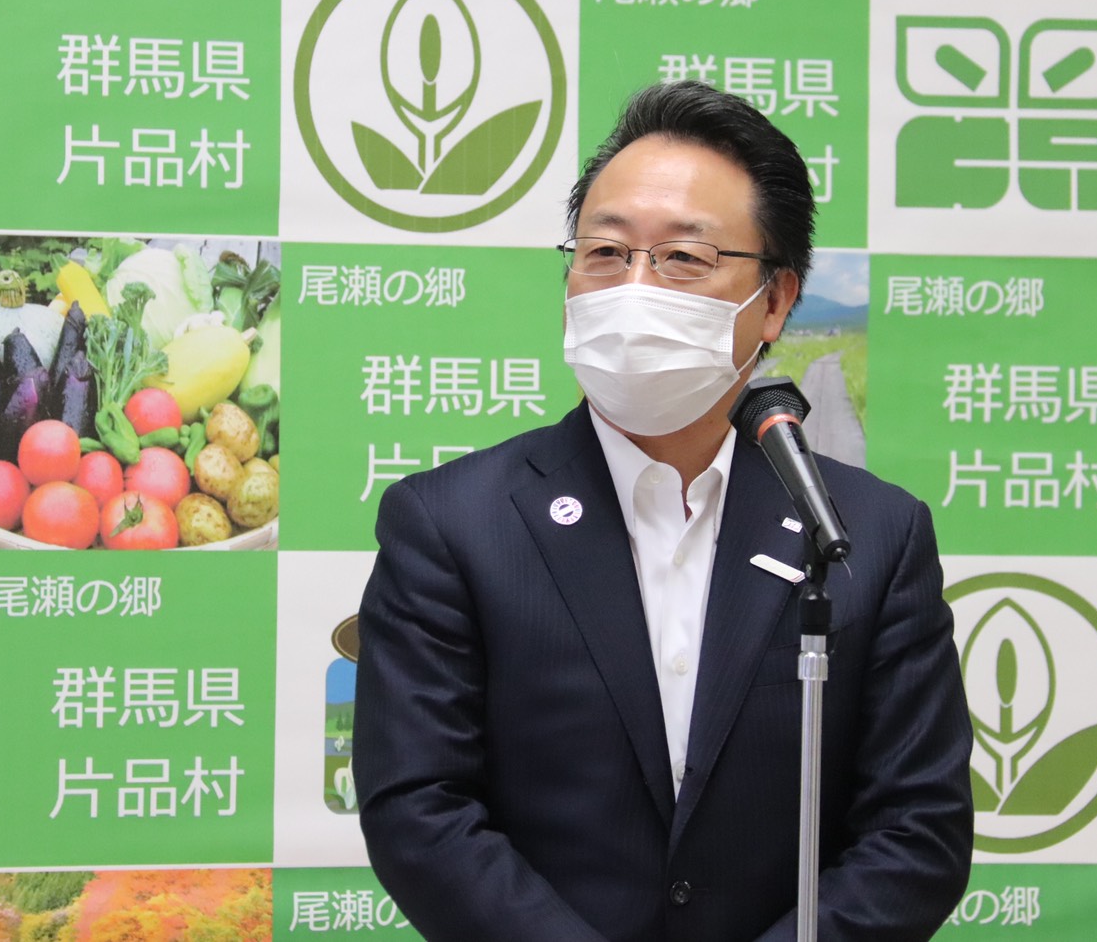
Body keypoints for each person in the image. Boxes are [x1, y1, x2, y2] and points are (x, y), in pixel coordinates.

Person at [354, 80, 973, 941]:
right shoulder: (452, 523)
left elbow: (918, 829)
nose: (635, 286)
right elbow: (421, 811)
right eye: (605, 252)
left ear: (775, 301)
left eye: (683, 257)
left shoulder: (867, 534)